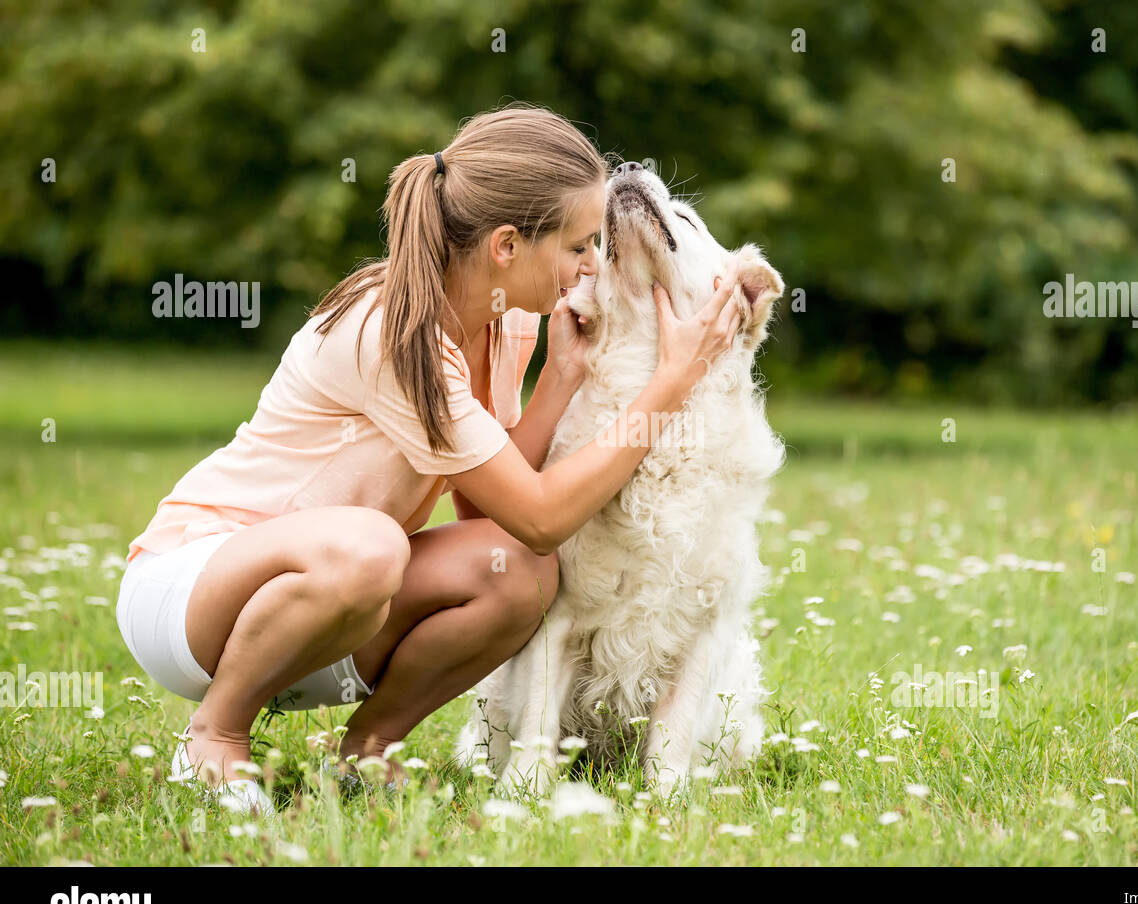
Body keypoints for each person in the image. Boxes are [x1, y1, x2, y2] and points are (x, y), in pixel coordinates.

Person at [113, 103, 743, 810]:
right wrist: (672, 381)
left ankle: (366, 751)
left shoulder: (507, 324)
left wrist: (561, 376)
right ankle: (214, 738)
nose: (591, 264)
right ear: (507, 246)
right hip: (190, 596)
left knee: (521, 572)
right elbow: (542, 514)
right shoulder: (392, 330)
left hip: (332, 608)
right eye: (577, 245)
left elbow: (493, 517)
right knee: (373, 545)